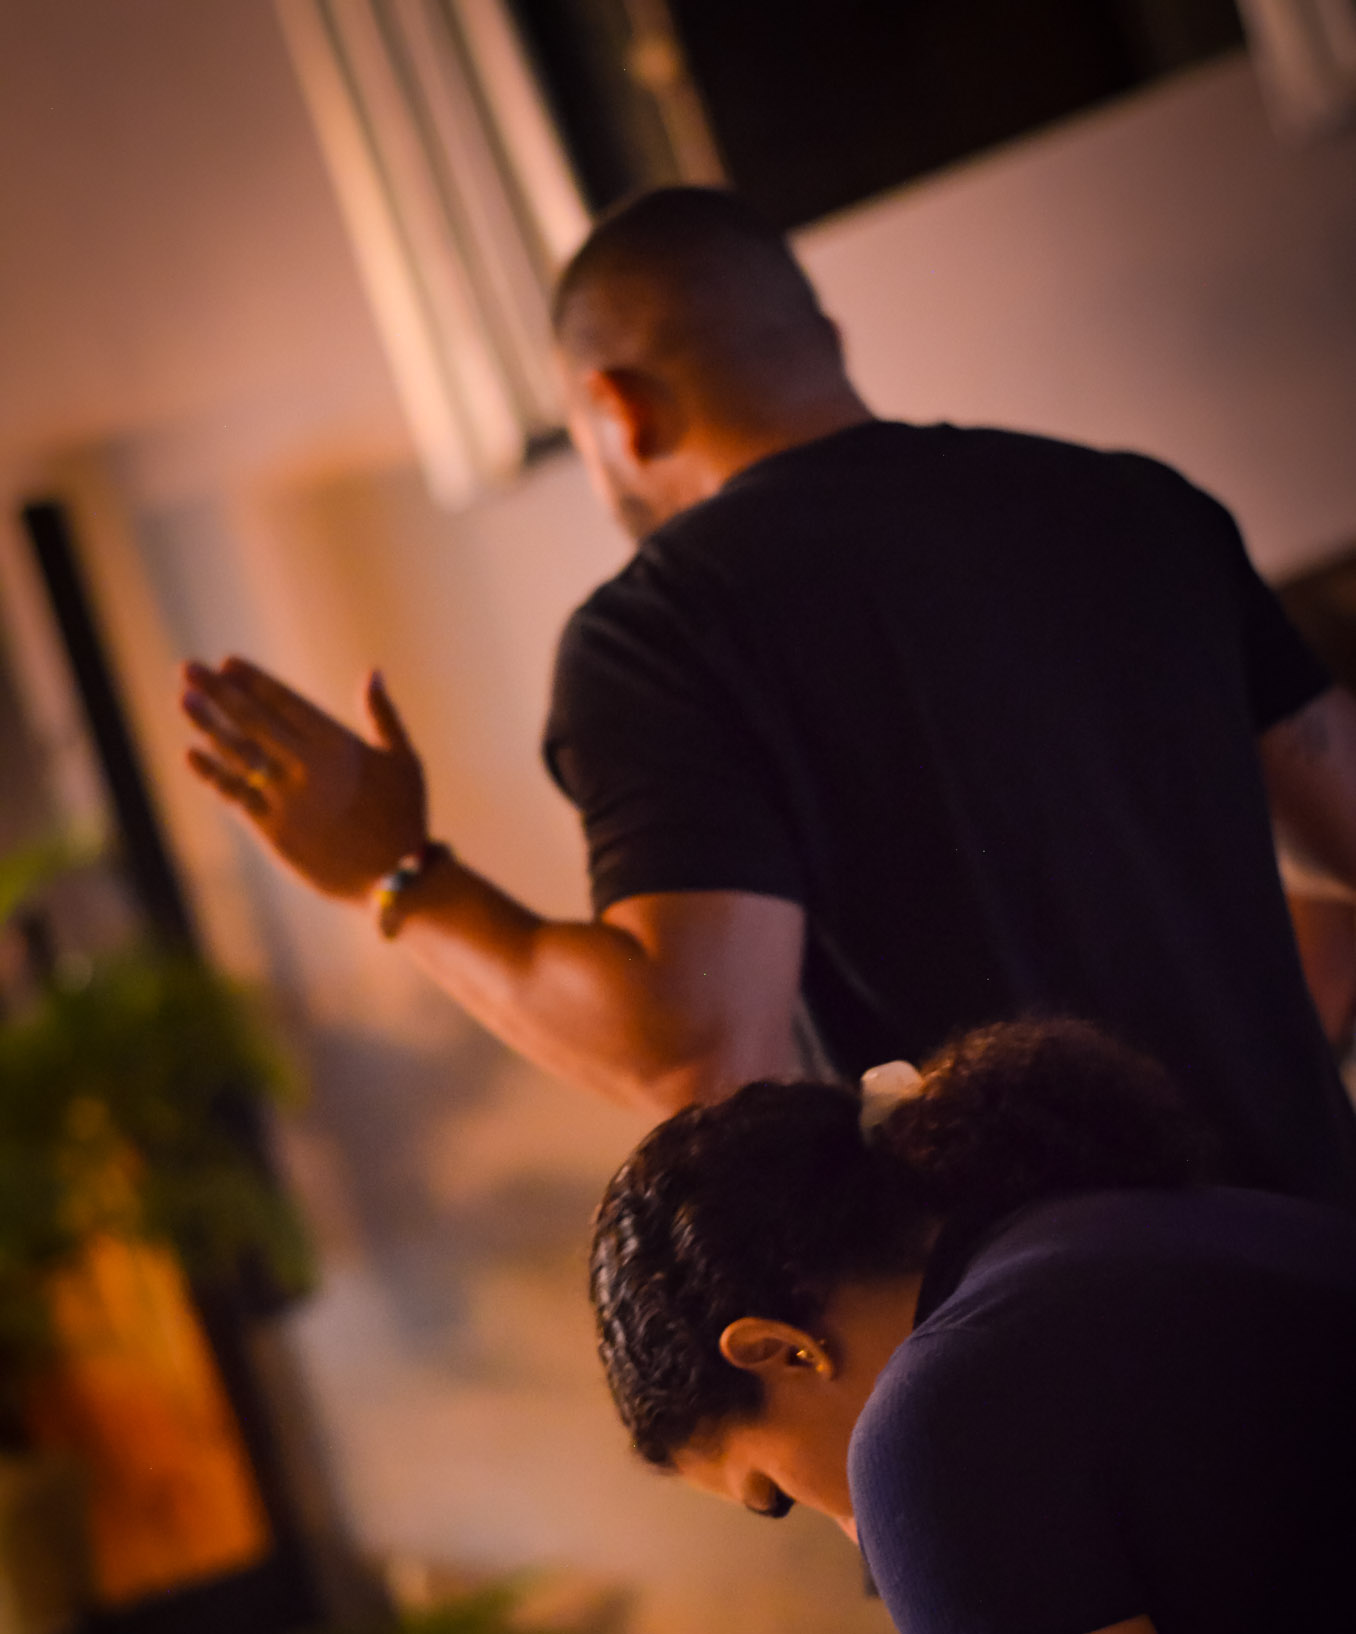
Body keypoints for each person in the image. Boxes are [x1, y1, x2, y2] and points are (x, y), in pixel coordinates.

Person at [181, 186, 1356, 1203]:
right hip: (1321, 1241)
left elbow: (697, 1053)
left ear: (617, 409)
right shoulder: (1141, 506)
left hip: (1081, 1323)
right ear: (825, 339)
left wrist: (399, 876)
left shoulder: (663, 630)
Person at [587, 1018, 1356, 1634]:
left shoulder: (935, 1422)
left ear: (780, 1350)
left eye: (773, 1494)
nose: (842, 1531)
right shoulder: (1162, 1221)